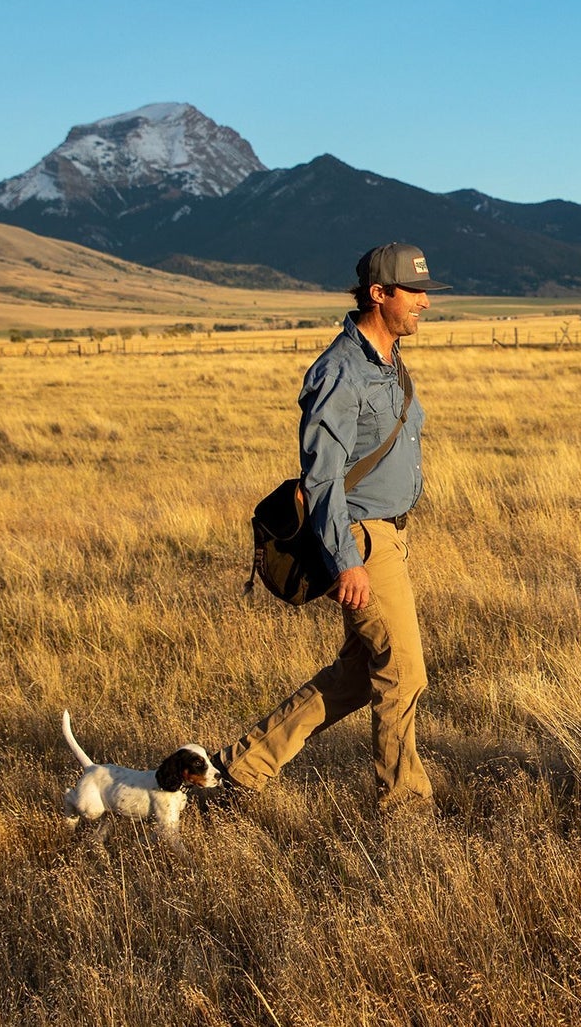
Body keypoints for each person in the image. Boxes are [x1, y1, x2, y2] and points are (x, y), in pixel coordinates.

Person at [211, 242, 450, 813]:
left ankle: (240, 770)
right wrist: (348, 560)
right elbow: (320, 478)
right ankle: (405, 808)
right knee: (402, 671)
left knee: (355, 676)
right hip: (363, 540)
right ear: (379, 293)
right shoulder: (340, 371)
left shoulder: (389, 362)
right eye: (413, 292)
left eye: (424, 293)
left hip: (390, 535)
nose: (423, 303)